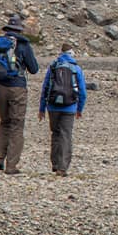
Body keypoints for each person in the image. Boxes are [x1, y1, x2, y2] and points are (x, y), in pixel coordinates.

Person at [0, 14, 39, 175]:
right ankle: (11, 165)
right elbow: (34, 69)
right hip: (17, 89)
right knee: (16, 125)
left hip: (0, 88)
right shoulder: (23, 45)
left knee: (4, 122)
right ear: (19, 29)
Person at [39, 44, 87, 176]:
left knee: (55, 133)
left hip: (52, 106)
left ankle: (55, 163)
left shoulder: (53, 67)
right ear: (72, 53)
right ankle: (62, 167)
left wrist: (42, 108)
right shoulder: (76, 68)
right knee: (66, 135)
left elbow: (45, 87)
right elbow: (82, 91)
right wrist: (79, 109)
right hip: (70, 107)